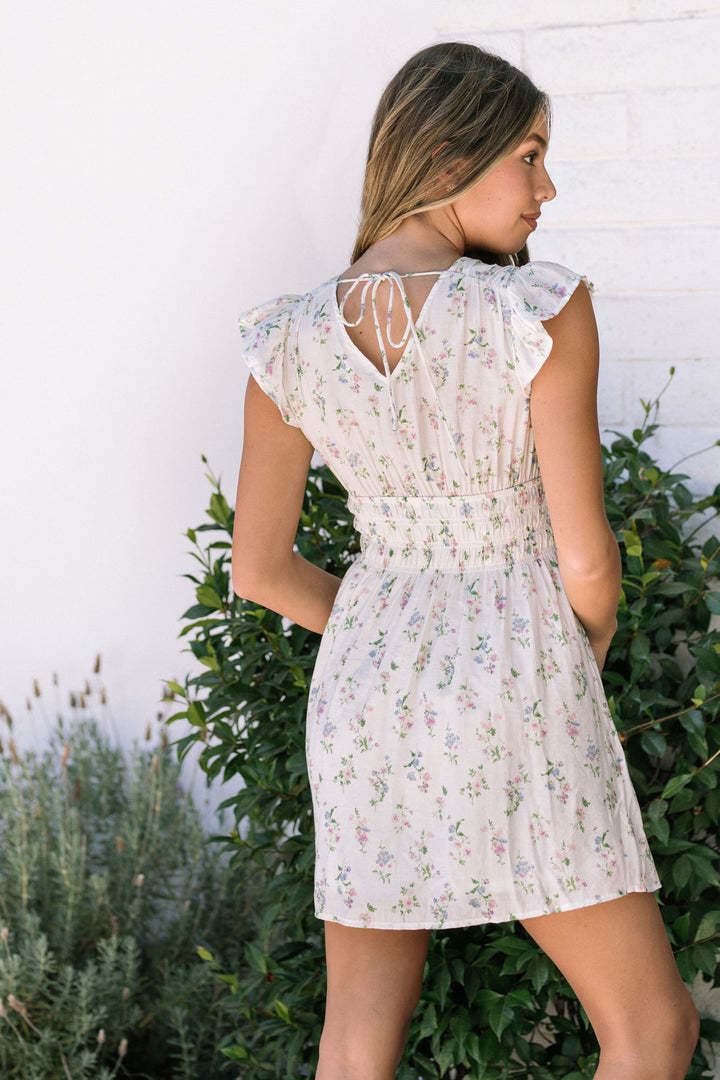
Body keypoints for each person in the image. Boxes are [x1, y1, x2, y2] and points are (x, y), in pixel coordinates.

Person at [232, 42, 699, 1080]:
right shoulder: (531, 312)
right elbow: (587, 563)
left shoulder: (288, 339)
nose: (548, 186)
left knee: (355, 1035)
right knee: (652, 1028)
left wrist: (388, 629)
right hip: (519, 674)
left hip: (362, 695)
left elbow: (260, 569)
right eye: (528, 156)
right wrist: (586, 640)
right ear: (448, 156)